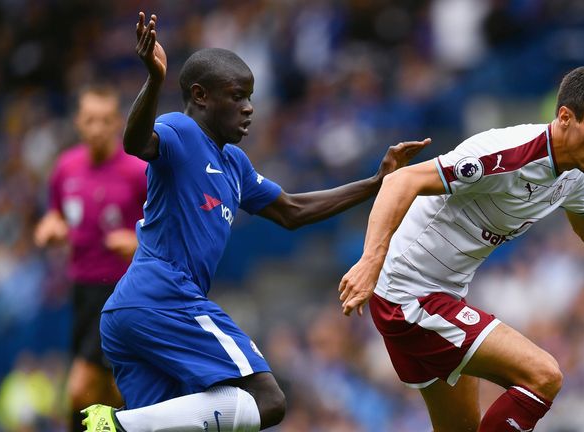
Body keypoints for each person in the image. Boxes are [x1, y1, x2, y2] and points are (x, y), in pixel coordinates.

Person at [80, 12, 429, 432]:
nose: (248, 108)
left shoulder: (234, 165)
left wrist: (376, 182)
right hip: (163, 296)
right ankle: (117, 424)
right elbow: (136, 143)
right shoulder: (182, 131)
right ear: (201, 96)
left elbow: (292, 210)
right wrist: (154, 81)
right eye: (237, 96)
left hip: (133, 312)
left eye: (250, 97)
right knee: (267, 399)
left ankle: (120, 425)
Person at [337, 64, 584, 432]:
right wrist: (371, 260)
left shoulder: (571, 170)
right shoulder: (507, 154)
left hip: (438, 296)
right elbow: (401, 181)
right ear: (566, 117)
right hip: (409, 297)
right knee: (543, 375)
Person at [34, 85, 146, 431]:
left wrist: (138, 240)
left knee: (80, 389)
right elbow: (55, 214)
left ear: (118, 123)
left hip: (123, 292)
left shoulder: (137, 171)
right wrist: (50, 228)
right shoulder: (66, 168)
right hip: (82, 290)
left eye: (105, 120)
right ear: (78, 123)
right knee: (110, 392)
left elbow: (170, 230)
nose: (97, 128)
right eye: (90, 120)